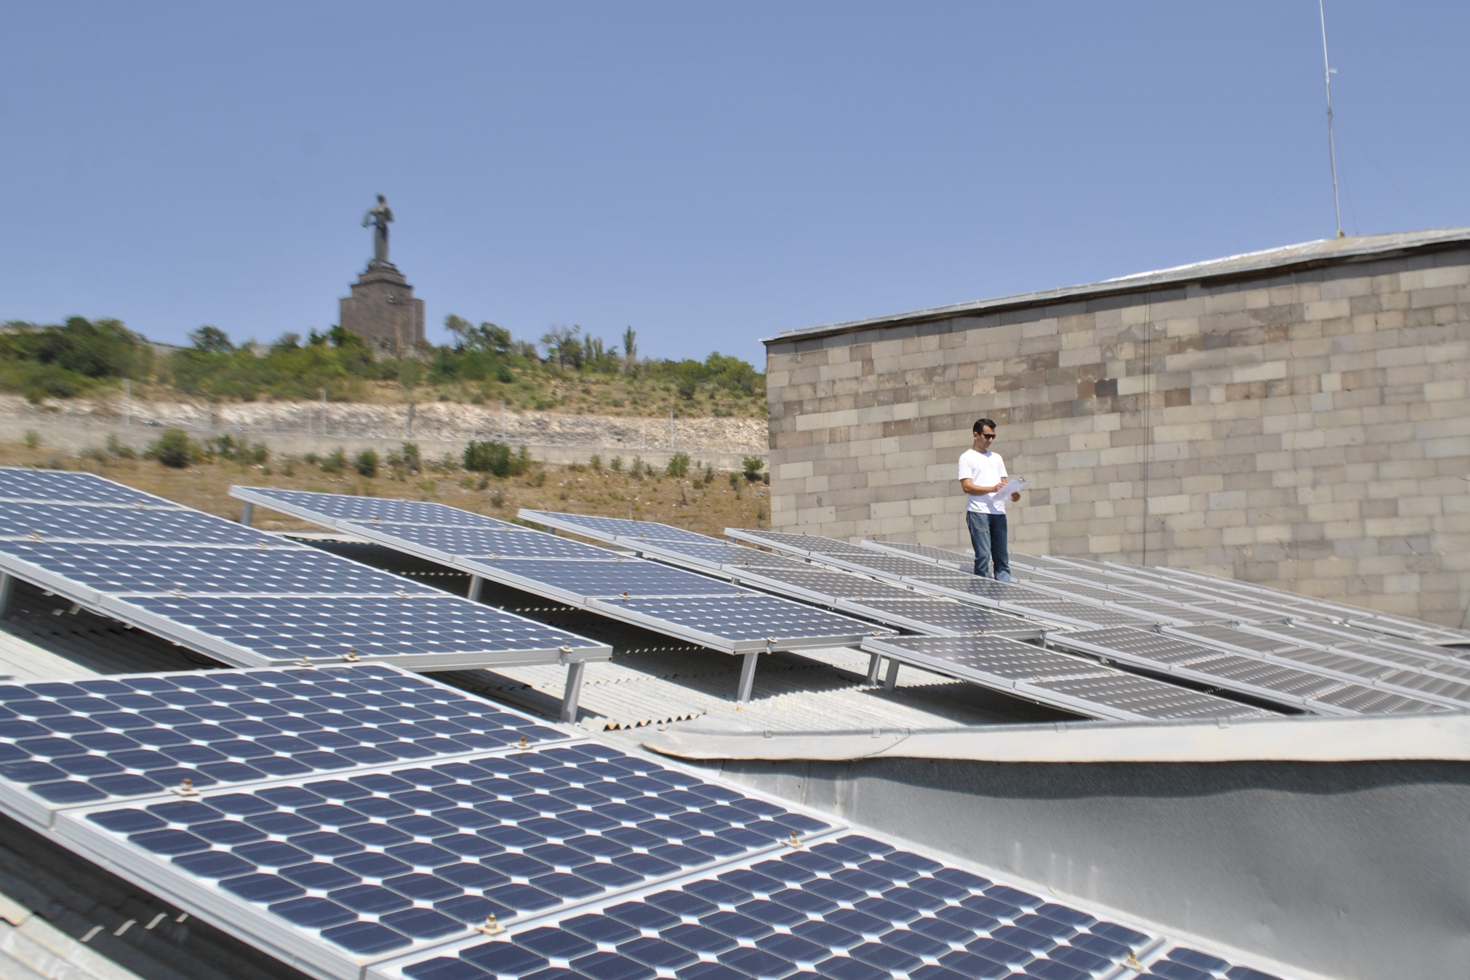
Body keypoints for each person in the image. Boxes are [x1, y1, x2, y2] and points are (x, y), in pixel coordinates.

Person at [958, 418, 1021, 580]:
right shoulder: (967, 457)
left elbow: (1003, 483)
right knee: (984, 556)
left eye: (993, 436)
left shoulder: (996, 458)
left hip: (998, 513)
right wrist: (992, 489)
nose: (990, 440)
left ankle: (1002, 596)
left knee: (1002, 558)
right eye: (987, 436)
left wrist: (1012, 494)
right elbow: (967, 487)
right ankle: (982, 594)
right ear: (976, 435)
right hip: (978, 512)